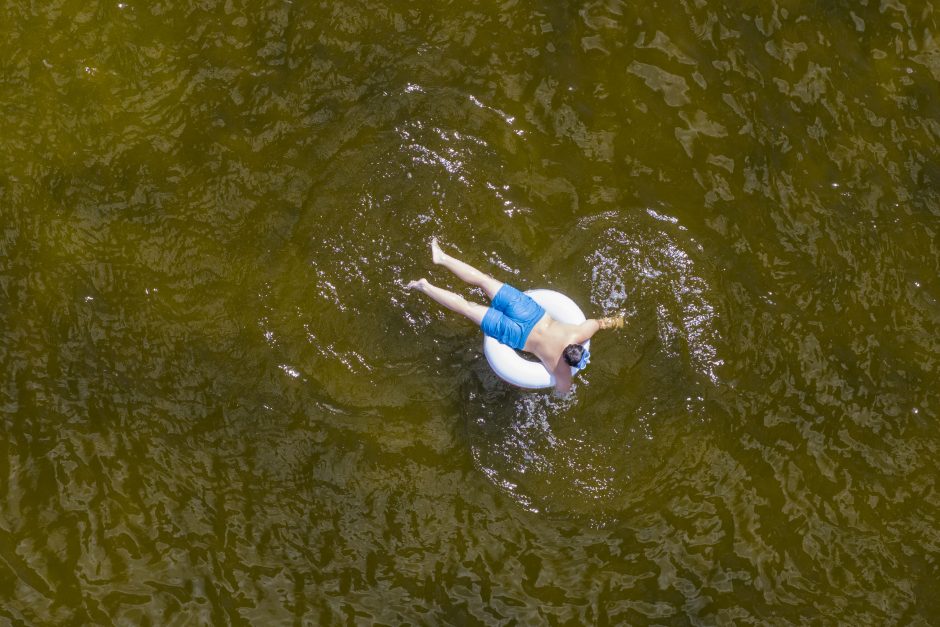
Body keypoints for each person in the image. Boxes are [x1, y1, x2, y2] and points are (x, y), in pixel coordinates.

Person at [407, 239, 624, 394]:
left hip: (529, 312)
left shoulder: (579, 332)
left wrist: (618, 320)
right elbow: (562, 391)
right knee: (466, 307)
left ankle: (442, 257)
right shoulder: (561, 369)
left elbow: (601, 322)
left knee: (483, 280)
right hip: (516, 336)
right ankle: (424, 286)